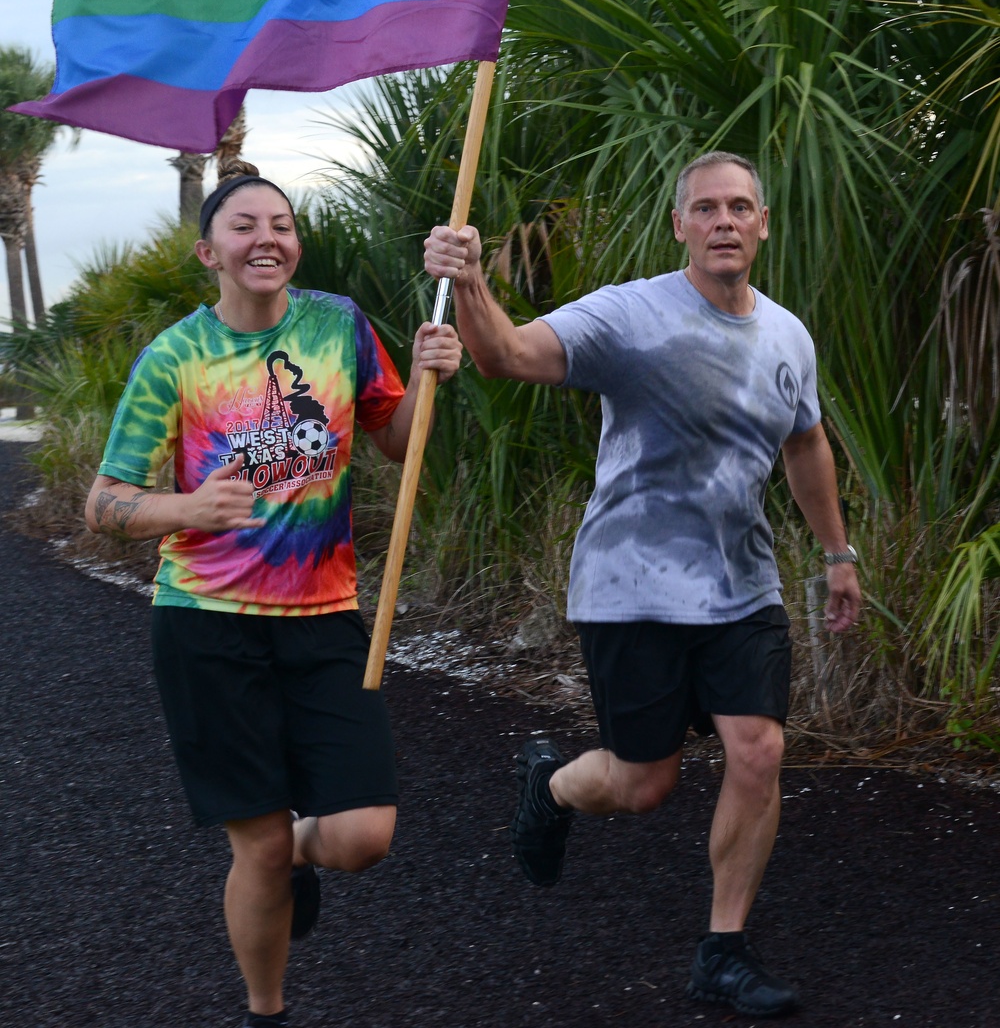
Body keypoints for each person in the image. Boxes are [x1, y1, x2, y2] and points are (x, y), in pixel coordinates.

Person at [424, 150, 861, 1019]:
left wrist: (838, 553)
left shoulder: (787, 336)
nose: (724, 221)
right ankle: (549, 785)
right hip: (631, 586)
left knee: (759, 750)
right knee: (642, 782)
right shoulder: (629, 315)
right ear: (681, 226)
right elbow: (509, 355)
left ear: (762, 223)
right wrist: (471, 283)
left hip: (742, 586)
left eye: (740, 207)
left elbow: (805, 443)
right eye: (706, 208)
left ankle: (722, 952)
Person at [85, 161, 462, 1028]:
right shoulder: (173, 359)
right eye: (246, 226)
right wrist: (188, 506)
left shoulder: (338, 326)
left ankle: (294, 847)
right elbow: (104, 503)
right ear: (208, 251)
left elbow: (399, 443)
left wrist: (435, 372)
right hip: (207, 627)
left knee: (364, 837)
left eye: (281, 225)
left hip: (326, 617)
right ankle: (267, 1008)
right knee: (252, 848)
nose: (268, 239)